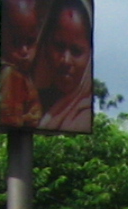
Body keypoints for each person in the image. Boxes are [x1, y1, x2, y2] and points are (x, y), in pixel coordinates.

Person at [35, 0, 93, 133]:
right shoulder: (27, 102)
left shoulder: (81, 116)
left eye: (76, 51)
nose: (65, 60)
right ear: (45, 45)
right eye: (59, 46)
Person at [0, 0, 42, 128]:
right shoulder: (12, 75)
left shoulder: (24, 74)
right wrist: (29, 118)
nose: (24, 51)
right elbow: (10, 120)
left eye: (30, 42)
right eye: (16, 43)